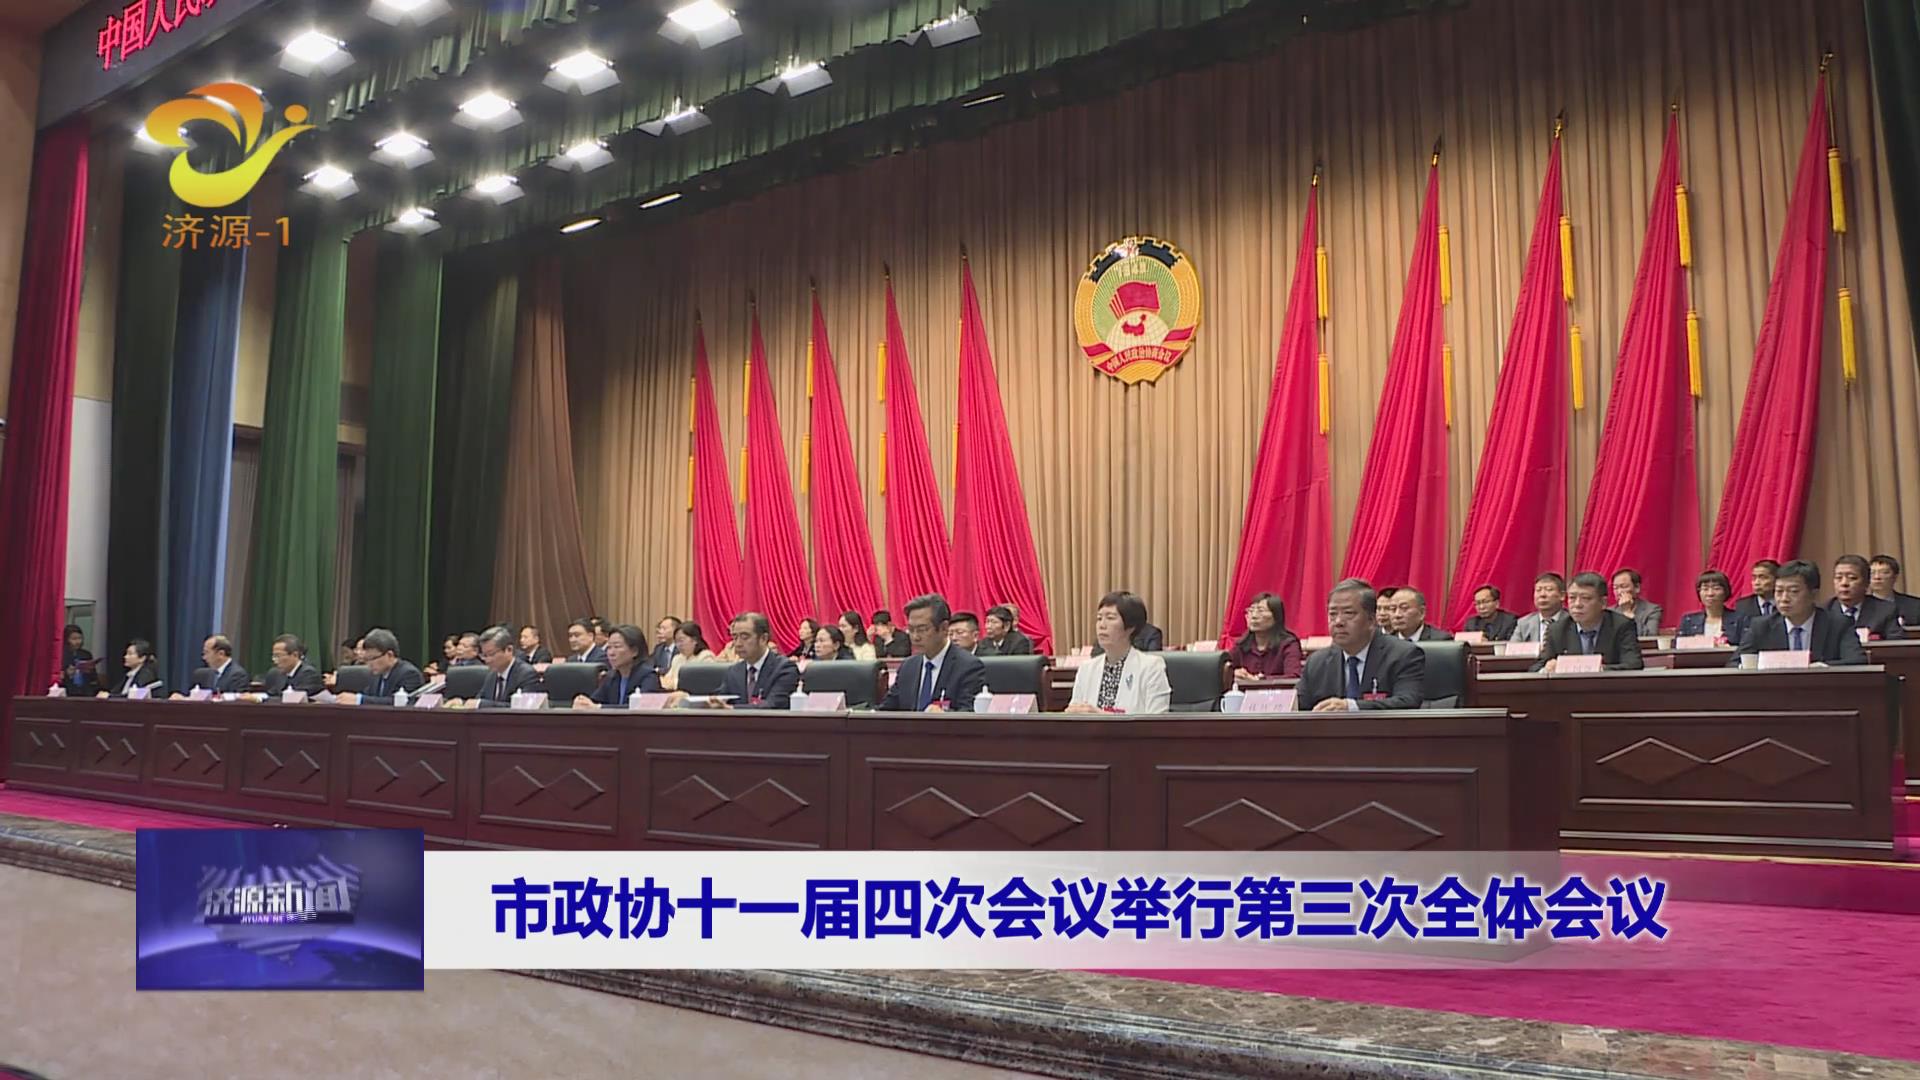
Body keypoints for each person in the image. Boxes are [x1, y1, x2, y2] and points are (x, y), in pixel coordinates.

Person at [1296, 580, 1424, 711]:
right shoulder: (1317, 662)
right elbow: (1297, 707)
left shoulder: (1403, 654)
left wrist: (1352, 707)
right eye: (1332, 614)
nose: (1338, 622)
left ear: (1372, 620)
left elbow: (1408, 701)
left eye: (1348, 613)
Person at [1730, 559, 1868, 666]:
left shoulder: (1838, 624)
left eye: (1793, 591)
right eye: (1779, 591)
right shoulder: (1761, 626)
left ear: (1813, 594)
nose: (1784, 599)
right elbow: (1733, 664)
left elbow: (1858, 661)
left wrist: (1821, 668)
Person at [876, 594, 989, 712]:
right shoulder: (908, 667)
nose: (915, 637)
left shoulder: (968, 666)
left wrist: (943, 715)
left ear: (944, 628)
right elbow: (887, 710)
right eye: (911, 630)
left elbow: (969, 713)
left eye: (922, 629)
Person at [1066, 591, 1171, 714]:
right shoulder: (1087, 669)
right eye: (1099, 618)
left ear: (1130, 627)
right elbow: (1074, 714)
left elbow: (1156, 721)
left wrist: (1100, 716)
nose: (1102, 625)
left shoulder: (1151, 667)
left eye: (1110, 618)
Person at [1534, 572, 1645, 672]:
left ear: (1603, 603)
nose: (1577, 604)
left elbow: (1634, 664)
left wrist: (1598, 669)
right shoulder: (1557, 629)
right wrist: (1546, 669)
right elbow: (1536, 667)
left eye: (1585, 598)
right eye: (1572, 598)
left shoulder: (1621, 625)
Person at [712, 612, 801, 709]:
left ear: (763, 639)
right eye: (734, 637)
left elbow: (774, 705)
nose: (738, 644)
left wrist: (732, 709)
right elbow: (720, 698)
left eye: (744, 637)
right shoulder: (734, 671)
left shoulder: (785, 668)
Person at [574, 624, 661, 708]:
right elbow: (595, 701)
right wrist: (584, 702)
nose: (611, 653)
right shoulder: (611, 677)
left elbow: (639, 708)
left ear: (634, 651)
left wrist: (599, 707)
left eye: (617, 647)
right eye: (609, 647)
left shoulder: (649, 676)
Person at [335, 628, 426, 706]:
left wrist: (360, 700)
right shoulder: (376, 674)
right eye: (366, 659)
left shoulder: (409, 674)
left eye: (372, 659)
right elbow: (369, 695)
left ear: (389, 655)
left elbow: (399, 702)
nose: (369, 664)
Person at [1826, 554, 1905, 640]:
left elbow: (1895, 643)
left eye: (1852, 578)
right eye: (1838, 578)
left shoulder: (1885, 611)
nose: (1844, 583)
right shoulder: (1824, 611)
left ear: (1866, 583)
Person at [1226, 592, 1303, 678]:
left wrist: (1260, 681)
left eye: (1260, 611)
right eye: (1251, 611)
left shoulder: (1288, 644)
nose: (1254, 616)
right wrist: (1232, 673)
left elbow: (1293, 676)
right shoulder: (1242, 644)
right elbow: (1222, 668)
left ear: (1276, 617)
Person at [466, 626, 544, 707]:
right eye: (484, 655)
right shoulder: (492, 675)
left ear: (509, 650)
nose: (487, 660)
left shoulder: (527, 674)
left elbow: (524, 708)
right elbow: (478, 700)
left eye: (491, 654)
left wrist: (481, 704)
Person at [1676, 570, 1750, 645]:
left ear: (1725, 591)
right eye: (1705, 589)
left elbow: (1746, 647)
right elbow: (1678, 646)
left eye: (1716, 588)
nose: (1710, 593)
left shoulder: (1740, 619)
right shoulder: (1688, 620)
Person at [257, 635, 325, 698]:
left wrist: (261, 699)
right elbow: (272, 694)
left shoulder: (309, 674)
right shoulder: (277, 673)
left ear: (295, 655)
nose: (275, 660)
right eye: (274, 656)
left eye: (278, 656)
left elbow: (294, 699)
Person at [658, 620, 717, 691]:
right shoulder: (677, 658)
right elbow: (665, 681)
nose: (678, 645)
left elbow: (699, 684)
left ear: (694, 640)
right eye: (676, 641)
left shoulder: (706, 657)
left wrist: (674, 683)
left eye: (681, 640)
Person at [1512, 573, 1569, 643]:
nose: (1542, 594)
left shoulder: (1572, 622)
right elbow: (1513, 648)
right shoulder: (1524, 623)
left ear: (1562, 595)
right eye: (1538, 590)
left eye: (1549, 590)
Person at [1608, 568, 1663, 637]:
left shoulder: (1652, 610)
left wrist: (1628, 612)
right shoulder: (1609, 612)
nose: (1619, 592)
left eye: (1624, 587)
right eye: (1615, 588)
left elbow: (1650, 637)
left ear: (1637, 587)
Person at [1868, 554, 1920, 627]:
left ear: (1895, 577)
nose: (1877, 577)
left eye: (1884, 572)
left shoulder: (1915, 606)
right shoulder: (1859, 605)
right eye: (1872, 573)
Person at [61, 625, 99, 696]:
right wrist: (67, 673)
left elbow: (94, 678)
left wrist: (89, 670)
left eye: (80, 638)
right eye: (74, 639)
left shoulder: (86, 654)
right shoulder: (61, 655)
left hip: (86, 691)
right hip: (68, 691)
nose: (78, 642)